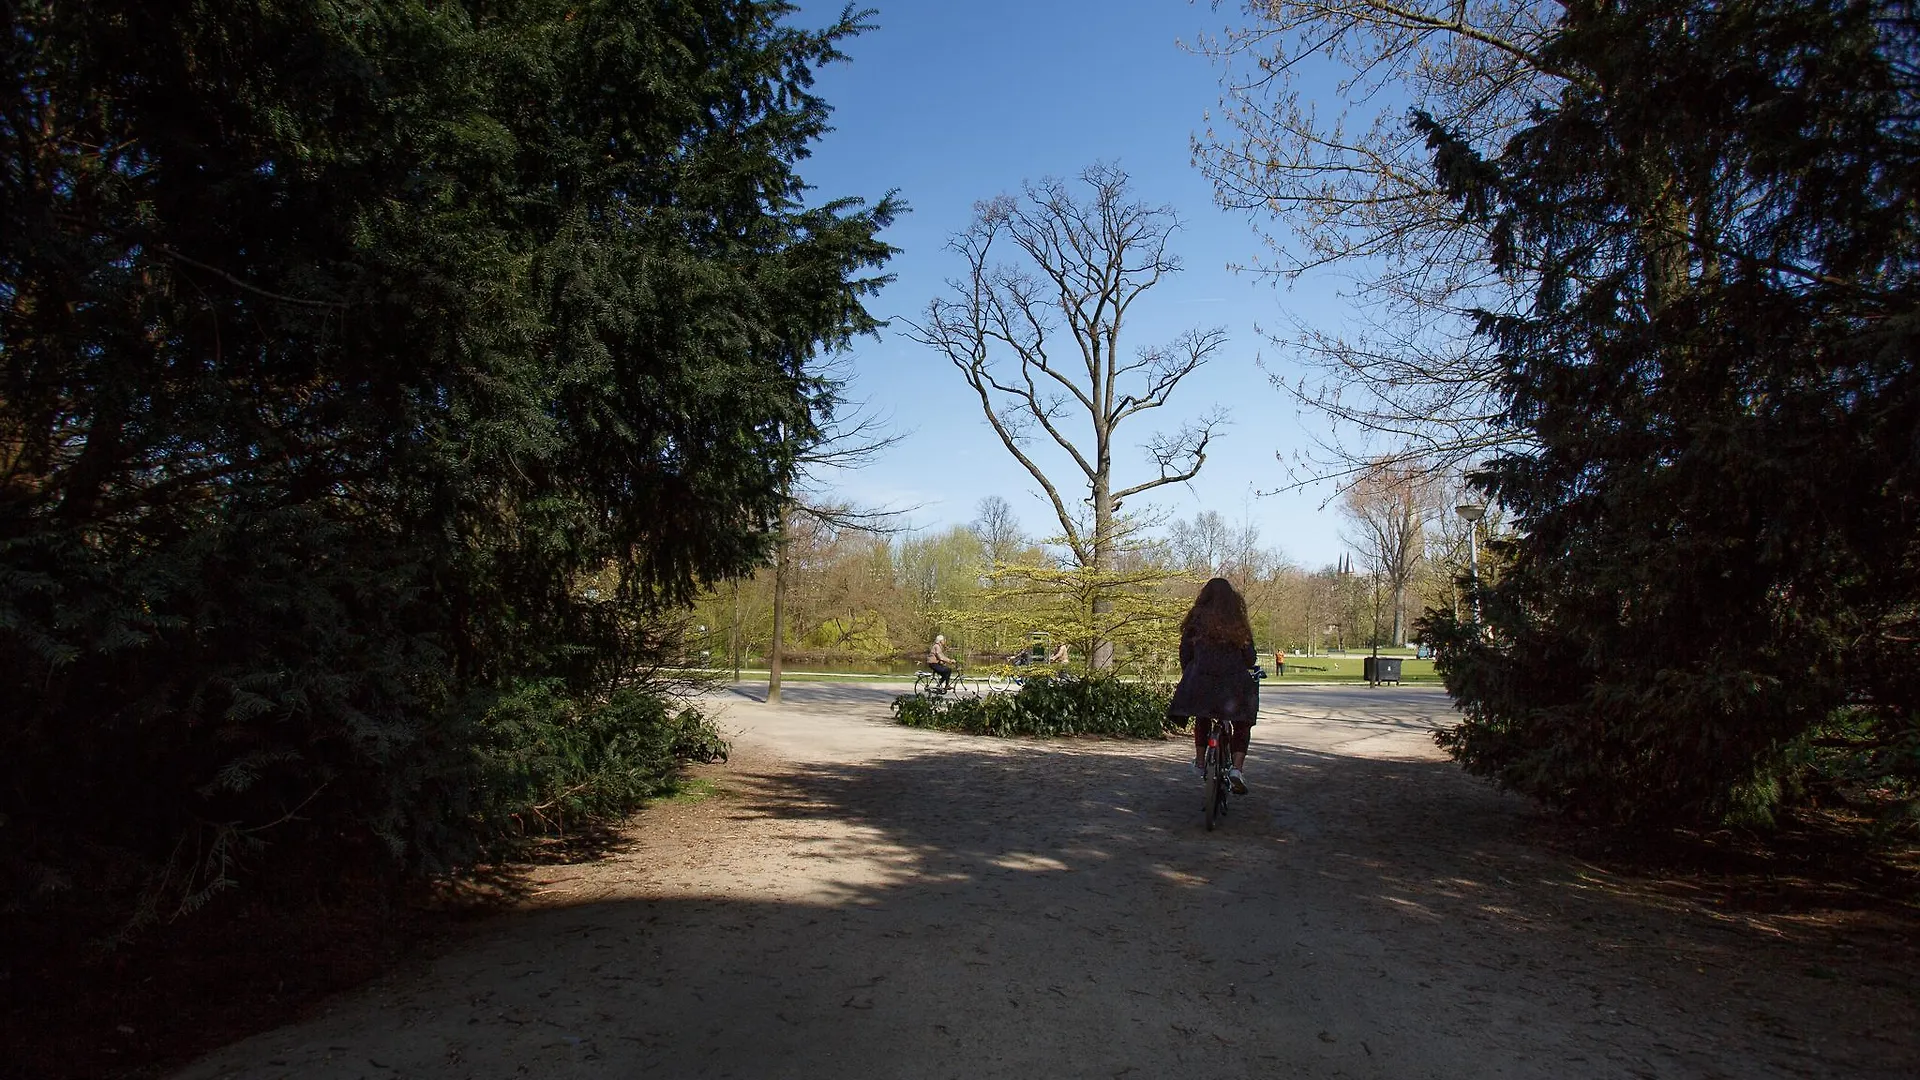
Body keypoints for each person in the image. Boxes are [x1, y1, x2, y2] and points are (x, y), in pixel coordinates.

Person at [1170, 577, 1259, 794]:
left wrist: (1191, 672)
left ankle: (1200, 762)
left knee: (1202, 715)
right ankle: (1237, 769)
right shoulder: (1237, 621)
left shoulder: (1196, 620)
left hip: (1202, 681)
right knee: (1242, 722)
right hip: (1233, 686)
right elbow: (1249, 658)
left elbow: (1185, 653)